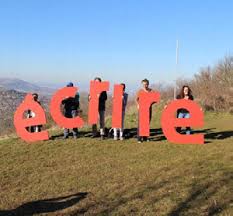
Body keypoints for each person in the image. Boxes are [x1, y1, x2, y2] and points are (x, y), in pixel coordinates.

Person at [136, 79, 154, 143]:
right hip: (142, 109)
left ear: (148, 84)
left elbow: (154, 99)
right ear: (142, 84)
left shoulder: (151, 91)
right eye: (143, 84)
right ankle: (139, 138)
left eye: (146, 84)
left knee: (147, 123)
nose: (145, 85)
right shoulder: (140, 91)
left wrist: (151, 103)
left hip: (148, 109)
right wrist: (138, 105)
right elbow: (136, 99)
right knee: (141, 123)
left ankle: (145, 137)